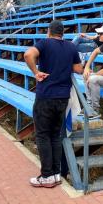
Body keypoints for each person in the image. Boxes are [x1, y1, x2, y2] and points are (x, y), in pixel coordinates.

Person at [24, 20, 82, 188]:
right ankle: (56, 174)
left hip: (46, 96)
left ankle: (47, 175)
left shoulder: (45, 43)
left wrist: (35, 72)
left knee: (43, 135)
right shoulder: (71, 47)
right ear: (62, 33)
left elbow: (28, 55)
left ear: (49, 32)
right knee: (56, 135)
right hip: (63, 97)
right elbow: (78, 69)